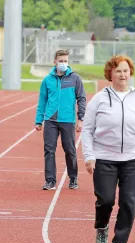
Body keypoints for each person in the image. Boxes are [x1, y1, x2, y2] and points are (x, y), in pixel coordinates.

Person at [81, 55, 135, 243]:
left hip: (133, 158)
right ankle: (102, 225)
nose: (122, 75)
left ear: (130, 73)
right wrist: (89, 156)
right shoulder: (100, 98)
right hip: (105, 157)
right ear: (110, 74)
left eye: (125, 70)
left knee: (129, 202)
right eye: (118, 71)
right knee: (105, 199)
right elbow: (87, 130)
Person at [35, 49, 86, 191]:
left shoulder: (75, 78)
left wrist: (81, 118)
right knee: (49, 150)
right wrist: (39, 121)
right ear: (55, 62)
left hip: (68, 120)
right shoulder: (47, 80)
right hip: (50, 120)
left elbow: (81, 99)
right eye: (61, 61)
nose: (63, 63)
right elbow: (42, 101)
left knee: (69, 150)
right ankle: (50, 181)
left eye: (65, 61)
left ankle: (73, 177)